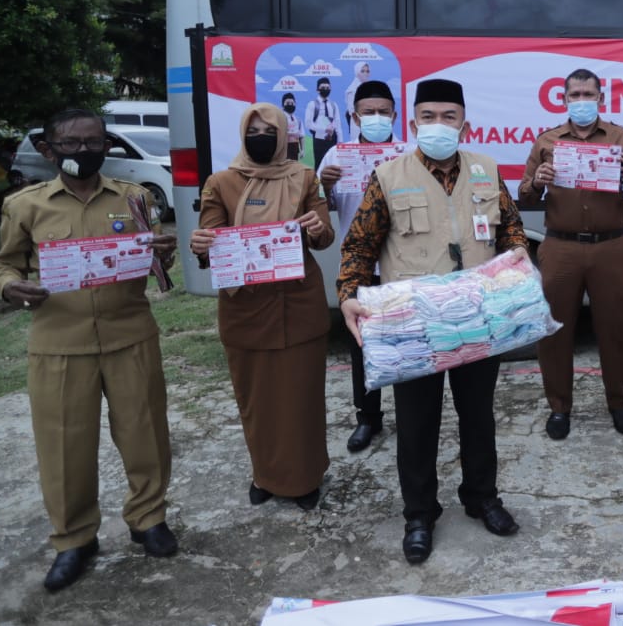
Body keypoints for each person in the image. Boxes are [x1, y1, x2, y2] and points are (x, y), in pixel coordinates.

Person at [338, 78, 529, 565]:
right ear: (413, 123)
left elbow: (510, 227)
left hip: (477, 315)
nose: (438, 125)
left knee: (478, 415)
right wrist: (348, 295)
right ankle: (419, 514)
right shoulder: (388, 175)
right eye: (428, 117)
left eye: (449, 117)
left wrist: (517, 255)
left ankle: (482, 498)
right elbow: (359, 244)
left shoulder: (486, 170)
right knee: (417, 423)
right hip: (414, 323)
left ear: (465, 124)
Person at [0, 108, 179, 591]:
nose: (84, 150)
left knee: (146, 435)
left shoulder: (135, 198)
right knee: (63, 446)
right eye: (72, 144)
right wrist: (11, 287)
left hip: (130, 334)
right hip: (59, 342)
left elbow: (155, 257)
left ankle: (148, 518)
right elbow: (6, 266)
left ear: (106, 145)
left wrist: (162, 252)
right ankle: (74, 538)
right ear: (49, 150)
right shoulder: (25, 206)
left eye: (94, 142)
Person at [188, 103, 334, 511]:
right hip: (246, 307)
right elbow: (210, 238)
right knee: (256, 399)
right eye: (253, 131)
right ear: (242, 135)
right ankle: (265, 475)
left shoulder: (305, 177)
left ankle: (305, 477)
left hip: (298, 303)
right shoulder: (220, 182)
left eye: (270, 131)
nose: (261, 138)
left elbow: (323, 235)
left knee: (302, 397)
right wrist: (202, 245)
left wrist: (318, 229)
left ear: (285, 135)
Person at [518, 68, 623, 441]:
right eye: (575, 95)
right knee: (554, 329)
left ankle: (618, 402)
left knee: (616, 328)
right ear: (564, 100)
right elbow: (524, 196)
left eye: (588, 95)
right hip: (561, 246)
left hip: (611, 246)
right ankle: (559, 407)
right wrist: (537, 182)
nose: (581, 101)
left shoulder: (621, 138)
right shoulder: (547, 141)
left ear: (600, 98)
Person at [317, 79, 401, 452]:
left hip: (401, 265)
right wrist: (323, 186)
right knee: (362, 345)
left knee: (405, 342)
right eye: (369, 112)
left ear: (394, 116)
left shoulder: (408, 154)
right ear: (355, 116)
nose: (376, 117)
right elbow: (321, 211)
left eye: (383, 112)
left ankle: (410, 414)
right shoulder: (336, 157)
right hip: (360, 268)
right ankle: (367, 417)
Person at [304, 78, 341, 166]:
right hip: (319, 138)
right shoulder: (312, 104)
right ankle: (318, 176)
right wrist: (323, 129)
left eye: (328, 87)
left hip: (332, 138)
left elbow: (337, 123)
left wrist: (340, 141)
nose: (325, 89)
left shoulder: (333, 105)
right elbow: (308, 124)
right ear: (317, 89)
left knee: (332, 163)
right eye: (323, 87)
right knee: (319, 163)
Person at [343, 62, 371, 142]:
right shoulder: (352, 89)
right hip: (358, 124)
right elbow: (351, 110)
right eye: (362, 71)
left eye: (367, 71)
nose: (366, 73)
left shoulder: (368, 88)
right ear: (357, 72)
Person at [281, 93, 304, 163]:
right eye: (288, 103)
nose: (290, 105)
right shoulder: (280, 118)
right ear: (283, 105)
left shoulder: (298, 119)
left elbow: (301, 136)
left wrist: (302, 150)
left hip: (295, 148)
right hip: (283, 148)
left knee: (294, 167)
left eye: (292, 103)